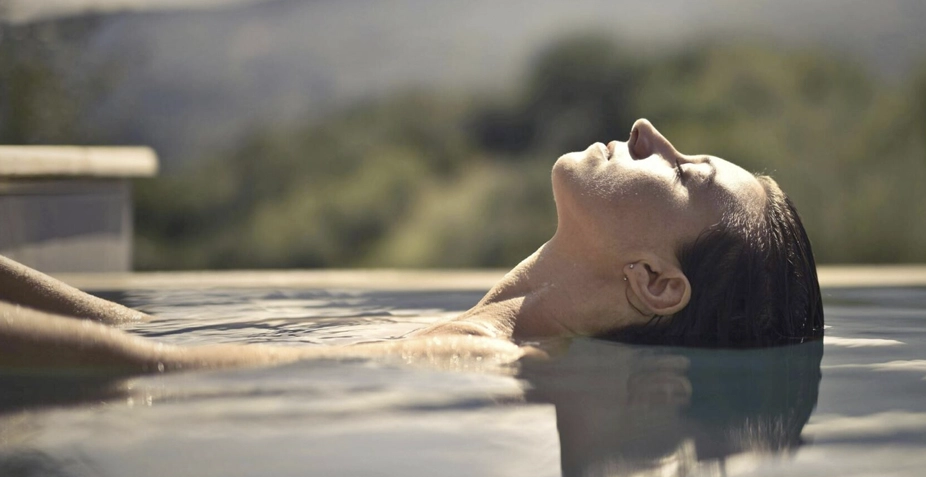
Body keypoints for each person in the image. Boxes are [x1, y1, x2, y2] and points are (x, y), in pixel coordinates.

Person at [0, 119, 822, 373]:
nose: (649, 134)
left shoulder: (478, 357)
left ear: (656, 283)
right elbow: (135, 334)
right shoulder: (477, 331)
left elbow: (151, 376)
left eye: (685, 173)